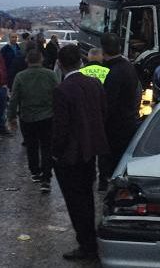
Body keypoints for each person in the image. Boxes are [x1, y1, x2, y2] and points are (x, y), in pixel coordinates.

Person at [52, 44, 109, 260]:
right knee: (87, 195)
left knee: (76, 202)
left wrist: (55, 153)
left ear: (59, 64)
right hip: (91, 150)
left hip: (70, 155)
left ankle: (86, 245)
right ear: (81, 61)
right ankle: (89, 239)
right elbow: (103, 112)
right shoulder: (94, 83)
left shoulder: (62, 90)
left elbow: (61, 128)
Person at [7, 49, 60, 193]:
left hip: (27, 117)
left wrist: (11, 117)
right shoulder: (50, 74)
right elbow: (58, 94)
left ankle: (35, 172)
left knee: (31, 145)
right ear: (41, 59)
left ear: (27, 61)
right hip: (48, 116)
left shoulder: (20, 76)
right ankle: (46, 178)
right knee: (47, 146)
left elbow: (14, 98)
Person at [100, 33, 141, 191]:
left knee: (113, 167)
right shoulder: (128, 67)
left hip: (115, 128)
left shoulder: (113, 72)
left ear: (104, 50)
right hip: (128, 121)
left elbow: (108, 104)